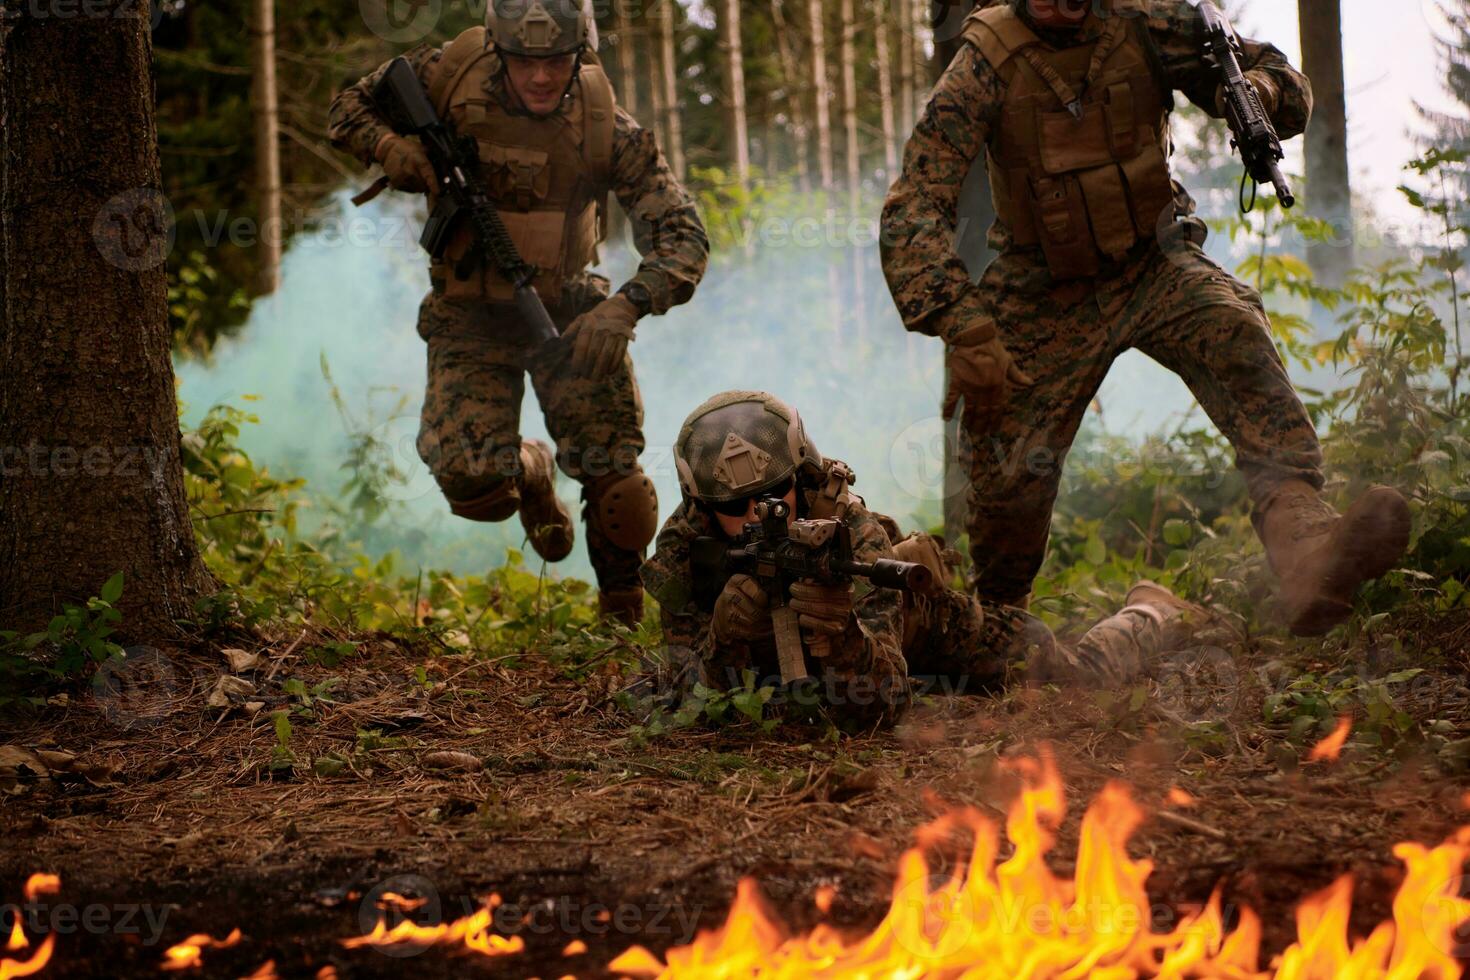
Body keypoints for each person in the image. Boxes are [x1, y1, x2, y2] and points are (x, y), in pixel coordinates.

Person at [879, 0, 1410, 637]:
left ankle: (1302, 536)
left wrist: (1259, 90)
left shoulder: (1147, 23)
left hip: (1155, 259)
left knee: (1233, 328)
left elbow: (1283, 80)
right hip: (1042, 284)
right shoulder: (986, 60)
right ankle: (998, 627)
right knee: (1007, 469)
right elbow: (912, 205)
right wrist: (961, 319)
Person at [329, 0, 709, 624]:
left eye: (556, 62)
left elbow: (684, 235)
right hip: (468, 313)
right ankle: (529, 471)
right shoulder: (447, 74)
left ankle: (621, 622)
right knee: (472, 484)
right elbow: (348, 108)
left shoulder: (604, 124)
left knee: (620, 485)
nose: (540, 77)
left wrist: (626, 307)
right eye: (525, 62)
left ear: (579, 56)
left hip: (568, 314)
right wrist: (390, 147)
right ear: (500, 53)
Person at [633, 391, 1207, 728]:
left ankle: (1149, 615)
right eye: (733, 505)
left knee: (1068, 672)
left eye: (773, 494)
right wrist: (723, 641)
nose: (756, 515)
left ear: (801, 477)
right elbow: (683, 696)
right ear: (703, 507)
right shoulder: (688, 550)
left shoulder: (848, 532)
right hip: (813, 663)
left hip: (917, 625)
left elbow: (884, 704)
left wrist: (843, 634)